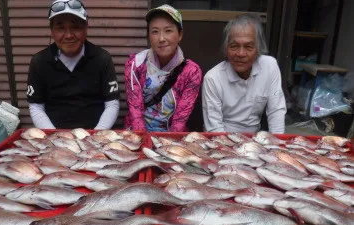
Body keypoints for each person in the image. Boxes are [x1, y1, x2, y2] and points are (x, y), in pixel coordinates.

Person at [27, 0, 120, 129]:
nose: (69, 35)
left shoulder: (102, 59)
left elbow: (112, 104)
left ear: (86, 27)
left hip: (96, 134)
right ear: (52, 30)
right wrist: (55, 137)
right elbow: (36, 106)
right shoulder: (39, 62)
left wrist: (96, 136)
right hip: (54, 137)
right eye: (60, 27)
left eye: (75, 27)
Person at [202, 13, 286, 134]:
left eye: (248, 46)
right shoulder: (213, 78)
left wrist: (277, 145)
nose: (241, 53)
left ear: (258, 48)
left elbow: (276, 110)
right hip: (222, 139)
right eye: (234, 46)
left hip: (255, 140)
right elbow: (214, 129)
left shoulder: (270, 66)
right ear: (226, 48)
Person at [124, 4, 202, 132]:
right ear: (149, 36)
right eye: (155, 31)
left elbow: (180, 120)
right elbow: (136, 113)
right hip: (137, 133)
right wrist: (143, 142)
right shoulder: (135, 64)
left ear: (180, 34)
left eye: (168, 31)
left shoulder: (192, 72)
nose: (161, 38)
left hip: (170, 135)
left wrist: (167, 146)